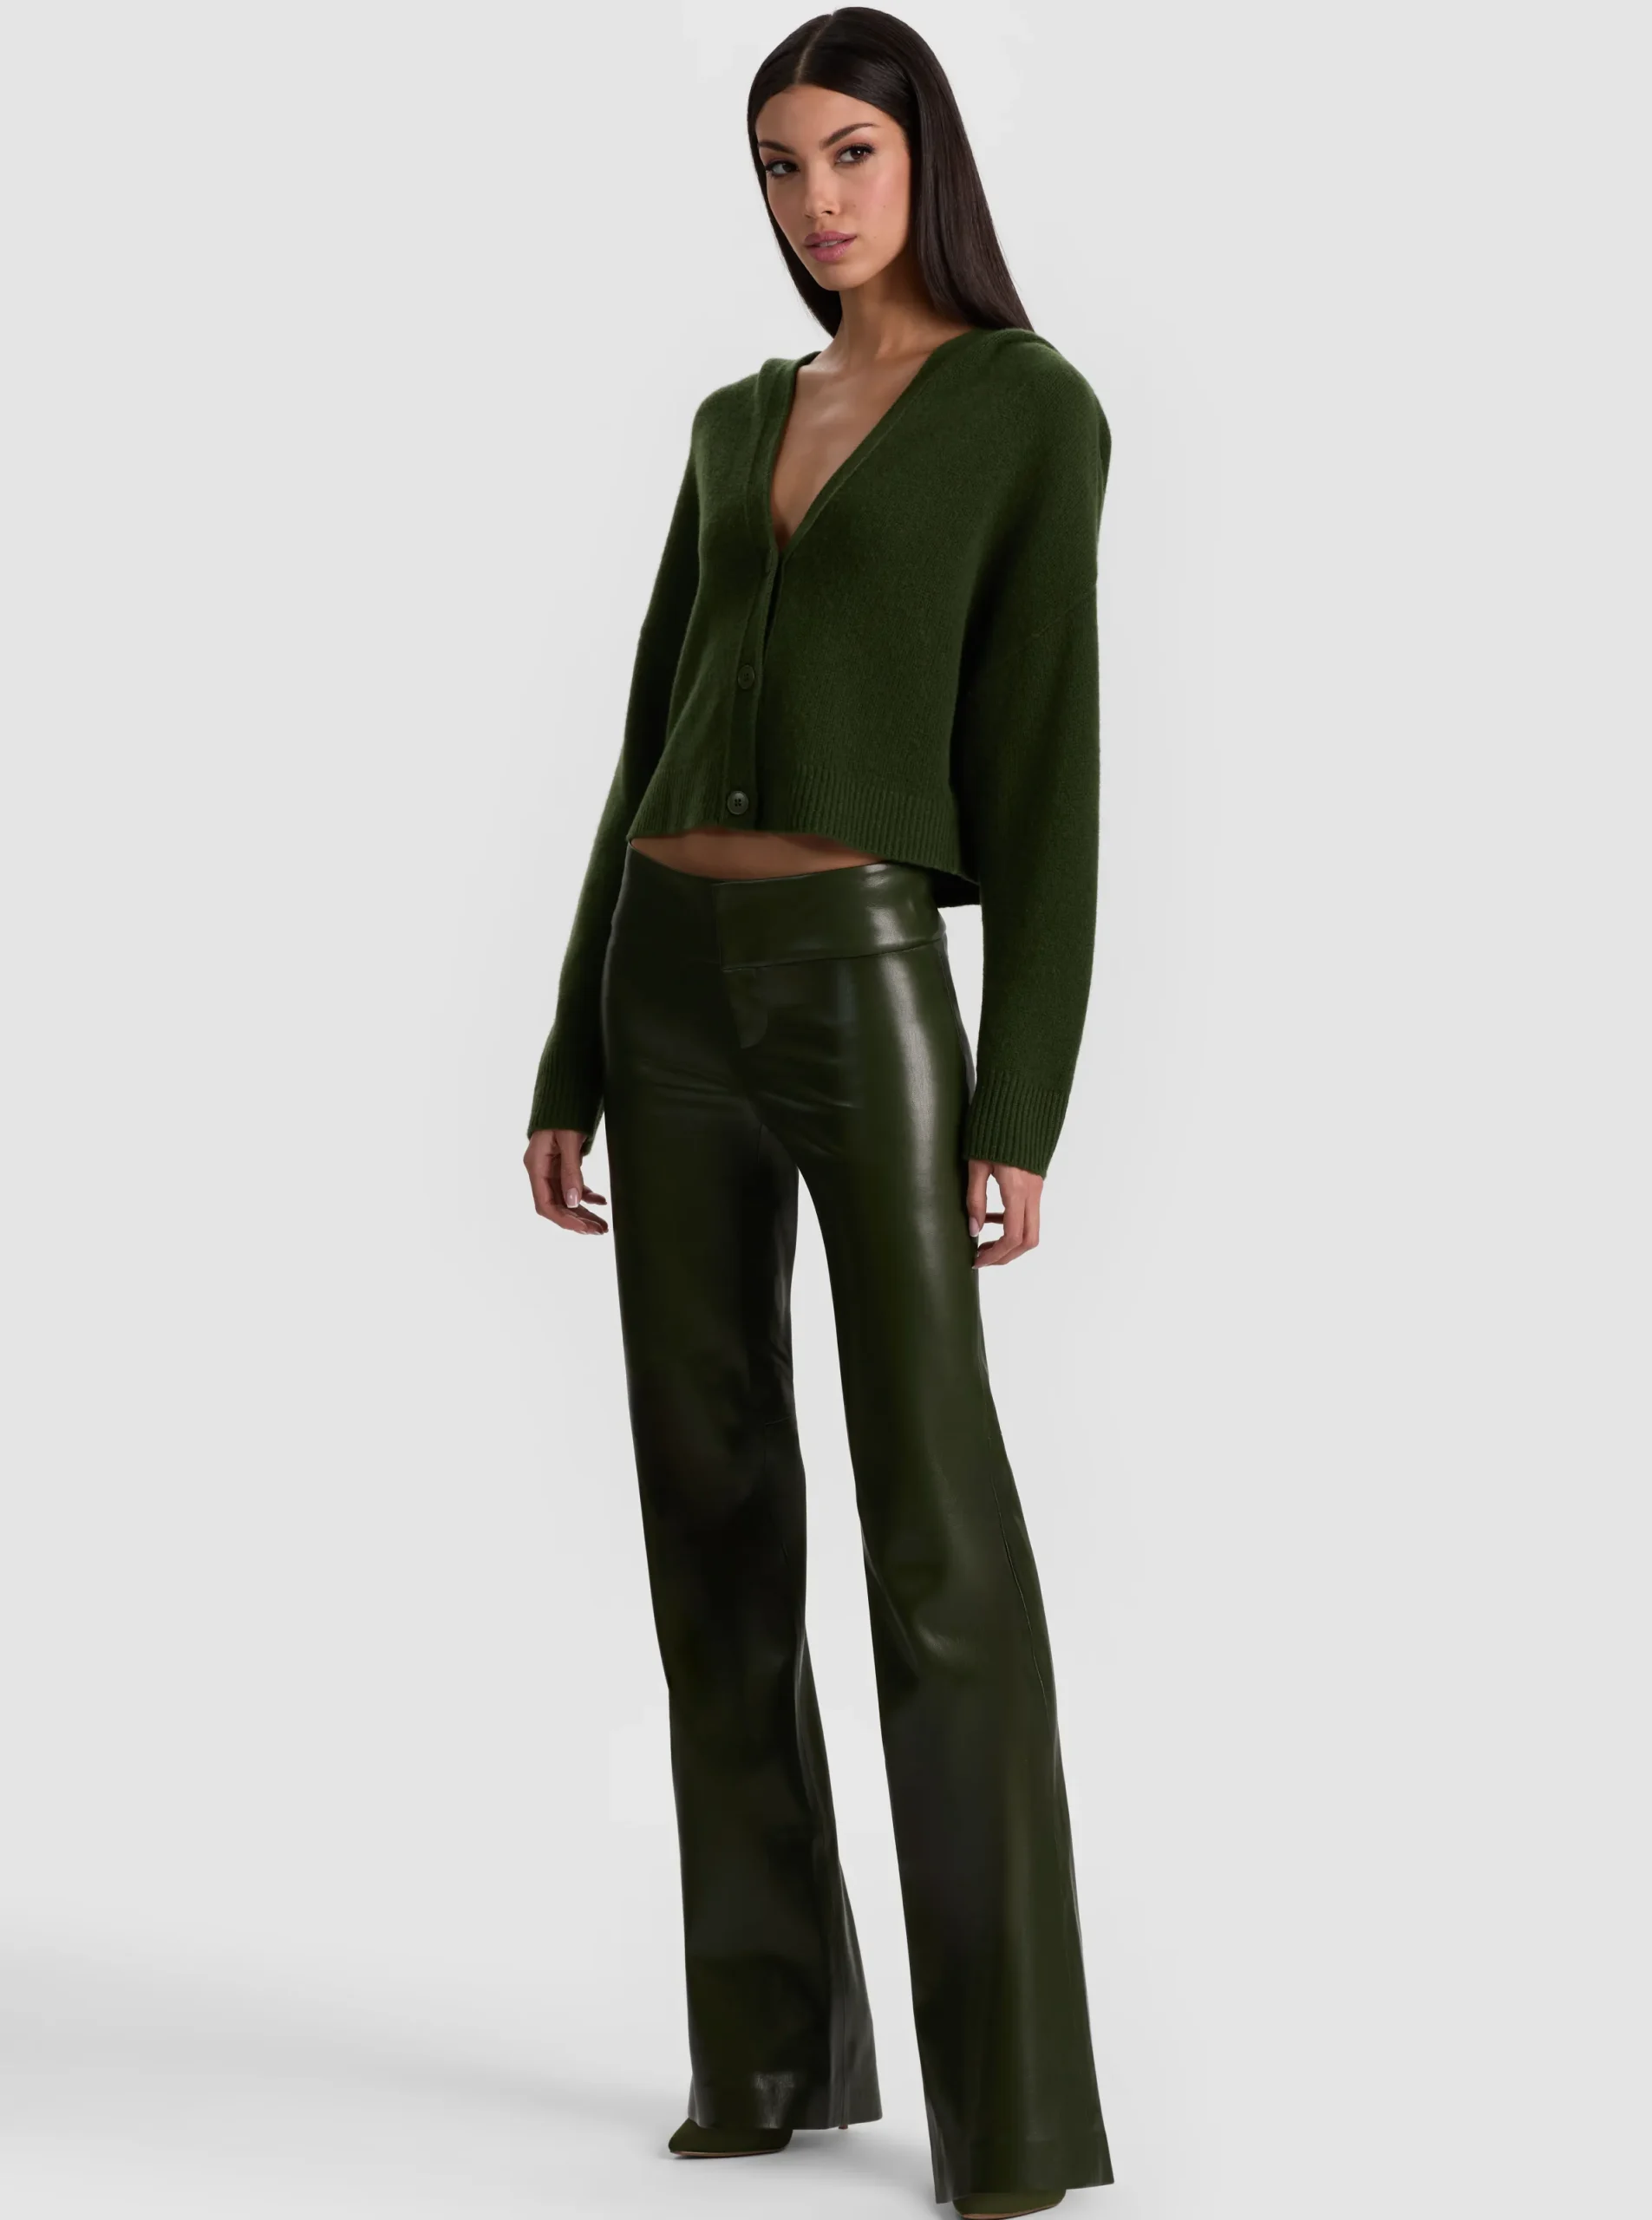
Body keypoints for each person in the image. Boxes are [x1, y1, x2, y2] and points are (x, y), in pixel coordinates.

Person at [522, 11, 1113, 2216]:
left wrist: (1019, 1094)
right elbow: (644, 733)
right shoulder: (729, 420)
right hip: (661, 980)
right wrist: (567, 1051)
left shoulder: (1027, 409)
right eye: (779, 164)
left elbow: (1046, 759)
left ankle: (1015, 2113)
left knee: (933, 1528)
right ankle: (763, 2050)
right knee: (709, 1517)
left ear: (918, 155)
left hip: (861, 982)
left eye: (849, 152)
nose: (815, 200)